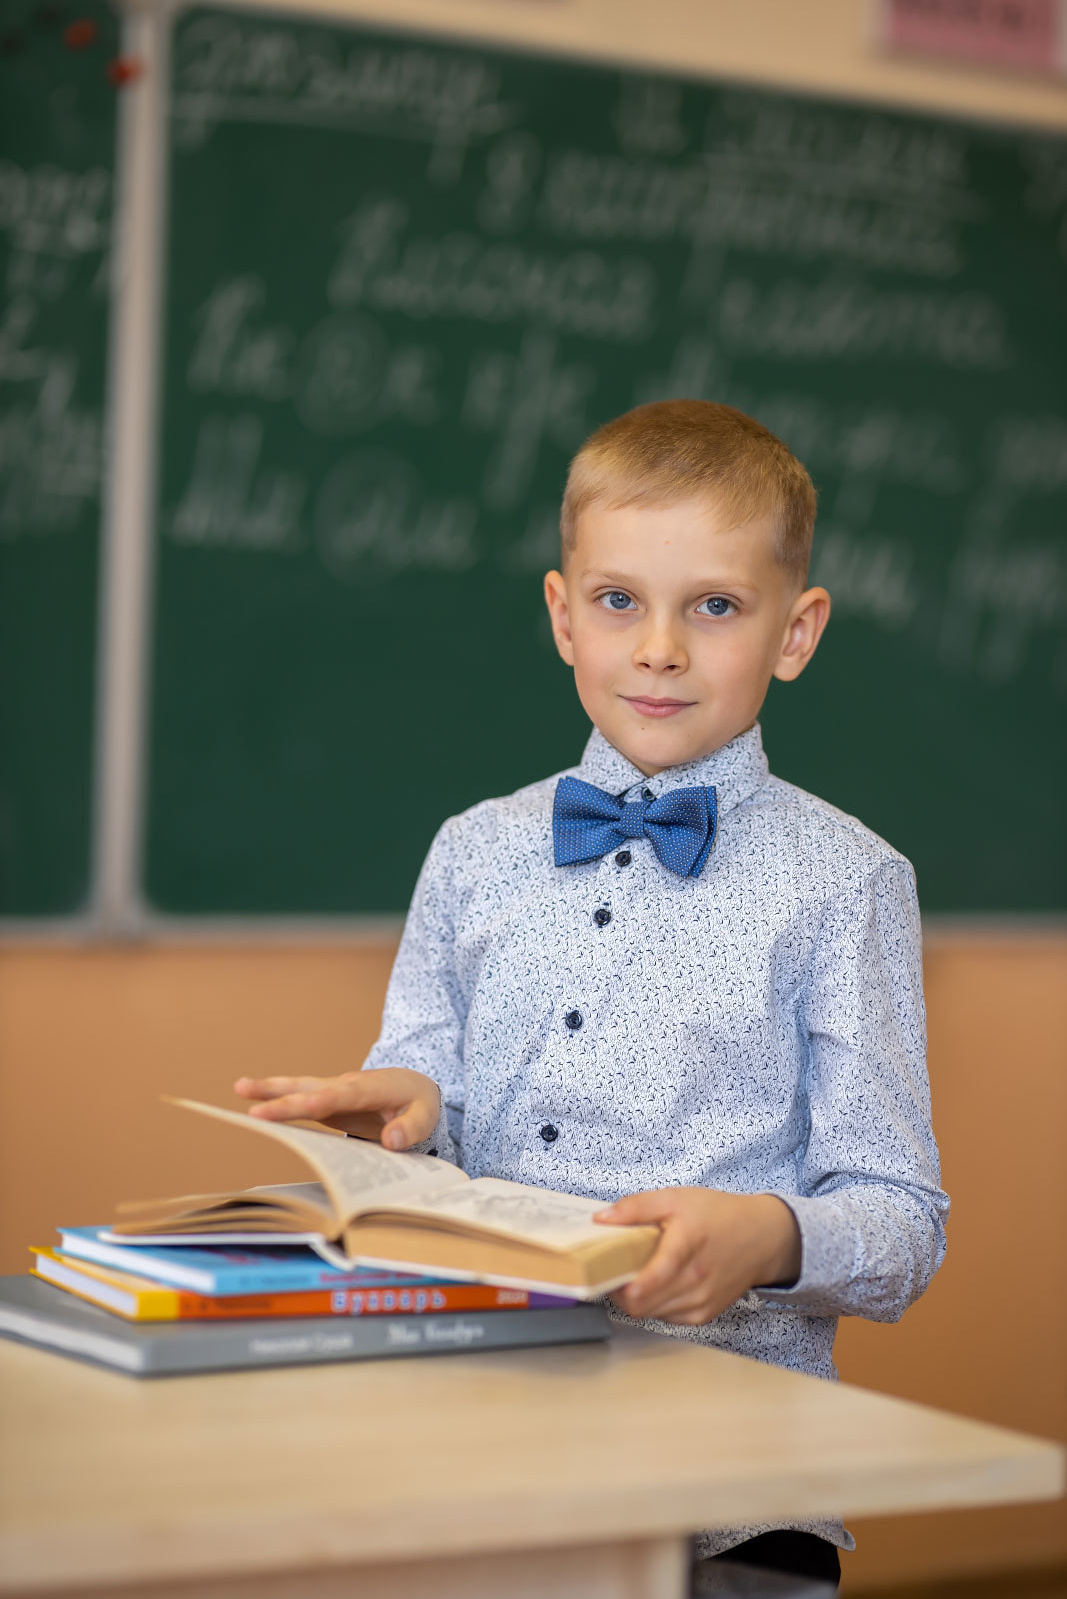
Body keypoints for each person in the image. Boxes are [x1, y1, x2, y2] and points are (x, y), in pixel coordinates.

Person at [235, 400, 948, 1589]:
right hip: (481, 1442)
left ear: (796, 630)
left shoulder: (848, 883)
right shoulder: (472, 849)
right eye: (619, 600)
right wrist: (402, 1123)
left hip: (732, 1488)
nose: (658, 647)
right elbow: (430, 1104)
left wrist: (768, 1238)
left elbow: (900, 1221)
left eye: (713, 605)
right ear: (563, 616)